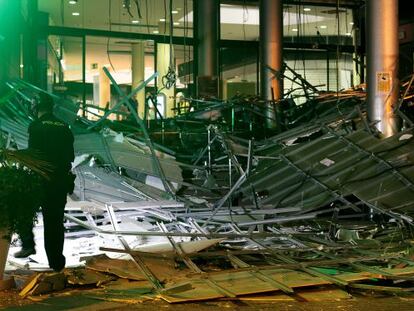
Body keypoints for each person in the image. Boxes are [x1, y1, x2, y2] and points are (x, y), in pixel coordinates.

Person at [14, 92, 75, 273]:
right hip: (60, 181)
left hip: (41, 179)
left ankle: (28, 244)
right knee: (54, 222)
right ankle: (56, 263)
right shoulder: (65, 126)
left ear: (35, 107)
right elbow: (70, 156)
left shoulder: (36, 126)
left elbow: (35, 155)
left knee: (21, 209)